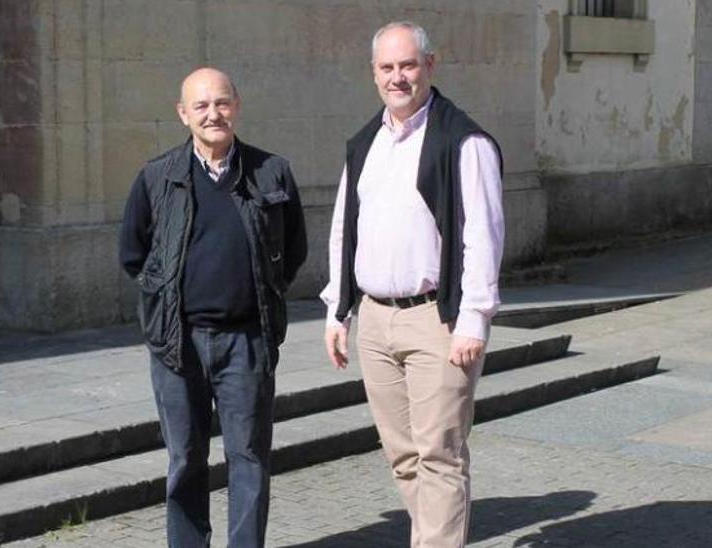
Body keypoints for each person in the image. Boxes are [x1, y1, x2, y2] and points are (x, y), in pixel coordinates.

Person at [320, 21, 506, 548]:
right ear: (373, 73)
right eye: (386, 67)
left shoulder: (461, 141)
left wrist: (474, 318)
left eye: (407, 65)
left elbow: (483, 236)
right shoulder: (365, 143)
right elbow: (344, 229)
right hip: (376, 319)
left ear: (430, 64)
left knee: (440, 453)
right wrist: (339, 310)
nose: (397, 77)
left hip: (437, 321)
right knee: (402, 456)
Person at [119, 67, 308, 548]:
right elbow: (133, 252)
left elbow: (294, 249)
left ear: (237, 106)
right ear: (183, 114)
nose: (212, 114)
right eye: (200, 106)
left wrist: (259, 292)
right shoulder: (157, 175)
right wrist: (164, 298)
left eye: (221, 103)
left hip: (246, 341)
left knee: (248, 456)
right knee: (185, 457)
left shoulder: (271, 171)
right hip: (177, 344)